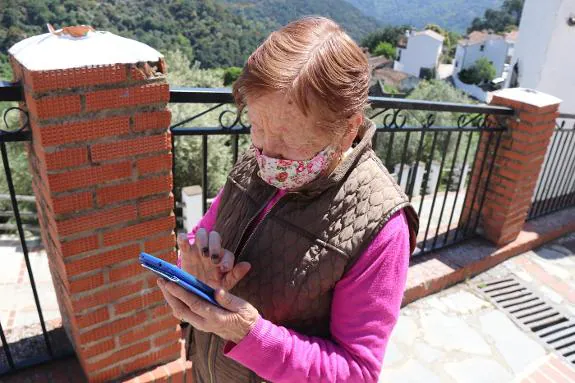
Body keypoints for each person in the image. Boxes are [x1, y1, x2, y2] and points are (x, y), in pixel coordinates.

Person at [157, 16, 419, 383]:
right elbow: (204, 233)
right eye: (257, 125)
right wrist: (191, 276)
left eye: (288, 139)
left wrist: (249, 334)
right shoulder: (260, 158)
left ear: (346, 130)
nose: (265, 151)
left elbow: (357, 372)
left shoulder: (382, 228)